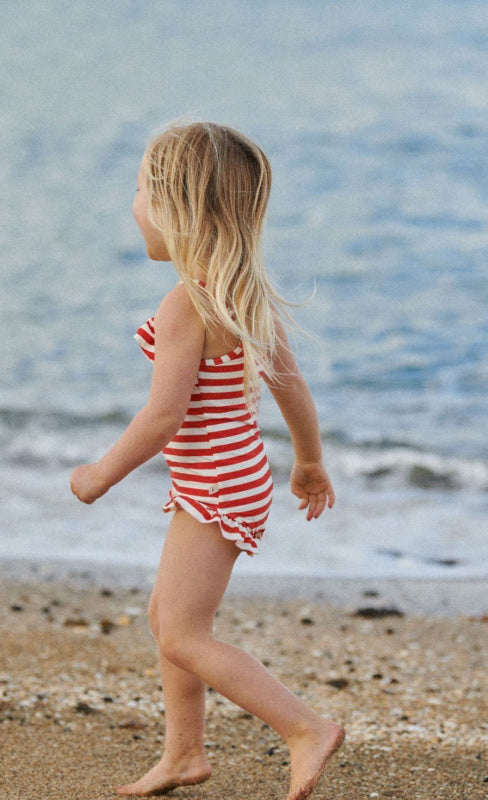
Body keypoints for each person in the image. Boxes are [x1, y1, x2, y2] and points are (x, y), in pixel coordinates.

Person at [70, 122, 343, 800]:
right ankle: (183, 755)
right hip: (233, 474)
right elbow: (293, 390)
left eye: (139, 189)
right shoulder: (242, 292)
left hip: (215, 484)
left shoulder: (186, 305)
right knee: (169, 618)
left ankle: (304, 726)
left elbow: (162, 417)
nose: (131, 201)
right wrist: (308, 462)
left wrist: (100, 474)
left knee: (185, 634)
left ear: (174, 207)